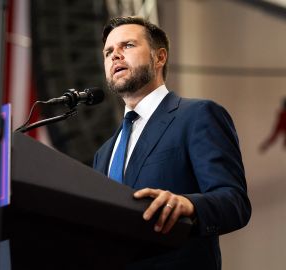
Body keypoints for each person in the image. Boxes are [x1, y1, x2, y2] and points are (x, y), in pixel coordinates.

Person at [93, 16, 251, 269]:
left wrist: (189, 205)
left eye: (128, 46)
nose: (115, 56)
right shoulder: (103, 153)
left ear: (160, 57)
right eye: (108, 51)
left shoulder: (197, 115)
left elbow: (234, 202)